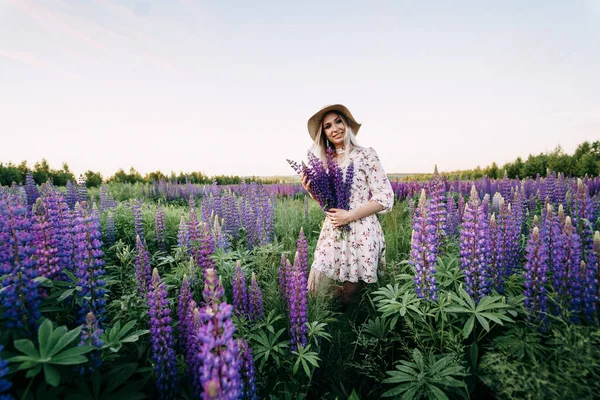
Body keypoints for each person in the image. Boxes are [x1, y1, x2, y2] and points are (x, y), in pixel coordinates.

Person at [301, 104, 394, 307]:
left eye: (338, 121)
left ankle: (349, 329)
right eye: (327, 126)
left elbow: (386, 196)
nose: (335, 128)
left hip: (362, 230)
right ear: (323, 133)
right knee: (314, 289)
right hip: (334, 230)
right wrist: (313, 193)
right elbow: (329, 206)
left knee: (351, 296)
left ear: (346, 124)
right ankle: (337, 298)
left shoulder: (366, 154)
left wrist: (350, 216)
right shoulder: (325, 162)